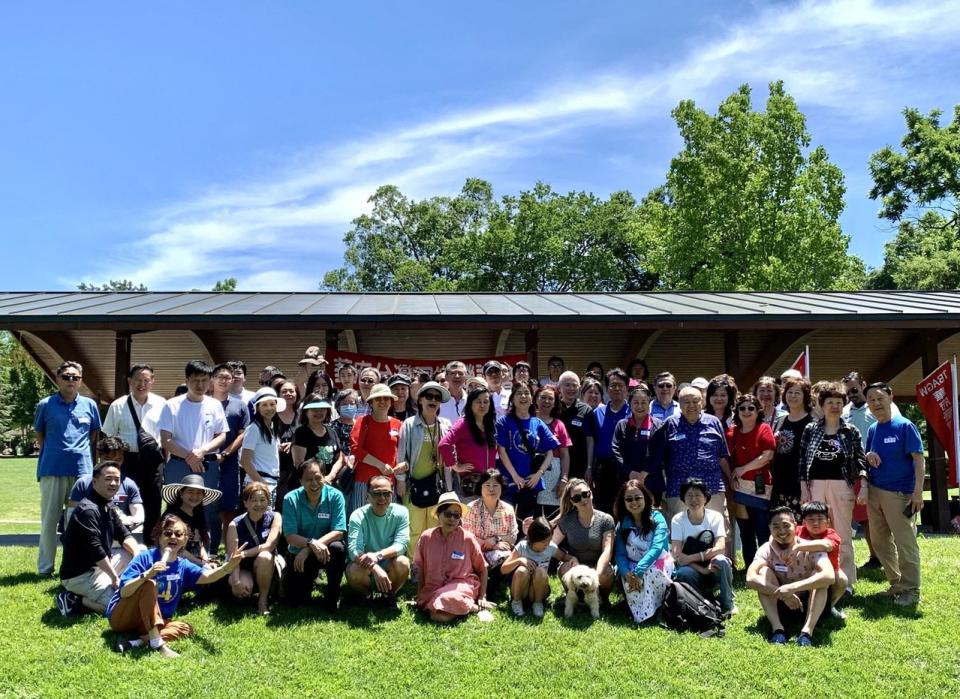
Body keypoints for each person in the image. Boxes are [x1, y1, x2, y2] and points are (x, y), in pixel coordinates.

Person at [107, 513, 246, 658]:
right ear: (160, 537)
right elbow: (124, 592)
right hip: (124, 616)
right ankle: (157, 644)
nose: (173, 537)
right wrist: (146, 575)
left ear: (185, 540)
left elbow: (207, 577)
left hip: (151, 621)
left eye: (179, 534)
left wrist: (228, 567)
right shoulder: (145, 557)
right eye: (168, 533)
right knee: (149, 584)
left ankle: (136, 642)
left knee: (185, 628)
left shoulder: (183, 565)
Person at [34, 360, 102, 576]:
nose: (71, 380)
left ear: (81, 381)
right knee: (50, 520)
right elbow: (40, 435)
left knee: (81, 521)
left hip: (82, 470)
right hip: (52, 469)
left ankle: (78, 567)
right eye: (66, 377)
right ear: (57, 379)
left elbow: (93, 436)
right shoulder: (45, 405)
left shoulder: (90, 405)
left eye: (75, 377)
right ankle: (45, 568)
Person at [799, 382, 867, 591]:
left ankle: (845, 581)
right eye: (830, 402)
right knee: (815, 531)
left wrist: (864, 484)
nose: (835, 406)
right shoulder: (811, 429)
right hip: (815, 485)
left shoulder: (850, 431)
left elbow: (860, 459)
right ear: (822, 404)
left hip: (841, 485)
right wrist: (804, 487)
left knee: (842, 534)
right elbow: (802, 460)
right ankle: (818, 576)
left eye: (839, 402)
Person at [863, 382, 924, 606]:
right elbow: (869, 455)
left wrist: (917, 493)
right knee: (879, 541)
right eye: (871, 400)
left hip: (899, 494)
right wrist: (869, 454)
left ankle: (911, 590)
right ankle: (897, 582)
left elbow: (919, 459)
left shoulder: (905, 426)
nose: (876, 403)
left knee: (905, 542)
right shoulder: (873, 429)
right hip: (875, 491)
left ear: (890, 397)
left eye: (880, 398)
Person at [56, 461, 143, 616]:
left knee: (141, 550)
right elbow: (95, 550)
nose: (114, 483)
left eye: (117, 479)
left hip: (100, 567)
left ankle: (118, 584)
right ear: (94, 482)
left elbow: (124, 534)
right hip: (80, 575)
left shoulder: (107, 505)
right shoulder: (88, 510)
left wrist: (137, 556)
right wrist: (114, 577)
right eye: (108, 478)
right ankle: (73, 599)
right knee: (120, 609)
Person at [159, 360, 227, 549]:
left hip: (207, 464)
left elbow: (222, 435)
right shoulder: (171, 405)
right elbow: (166, 440)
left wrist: (202, 451)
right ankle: (172, 551)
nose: (200, 385)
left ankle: (209, 553)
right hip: (179, 463)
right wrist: (190, 456)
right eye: (195, 380)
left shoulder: (214, 405)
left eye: (204, 380)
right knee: (175, 507)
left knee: (208, 509)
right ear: (187, 380)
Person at [746, 505, 835, 646]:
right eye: (776, 526)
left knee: (820, 578)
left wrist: (792, 588)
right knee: (763, 573)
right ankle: (777, 629)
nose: (781, 531)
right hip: (783, 603)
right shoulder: (765, 549)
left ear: (795, 525)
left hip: (813, 604)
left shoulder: (810, 547)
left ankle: (807, 632)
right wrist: (784, 594)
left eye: (786, 525)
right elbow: (750, 579)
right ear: (769, 528)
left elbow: (829, 576)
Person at [100, 363, 166, 542]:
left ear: (153, 381)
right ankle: (123, 544)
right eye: (138, 380)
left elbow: (168, 435)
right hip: (126, 460)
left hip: (153, 461)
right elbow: (108, 438)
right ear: (130, 381)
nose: (141, 384)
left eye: (146, 380)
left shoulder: (162, 404)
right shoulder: (118, 405)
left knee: (153, 505)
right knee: (122, 503)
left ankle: (152, 548)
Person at [650, 386, 732, 525]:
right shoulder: (670, 423)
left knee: (719, 532)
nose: (691, 405)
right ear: (679, 404)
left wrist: (730, 479)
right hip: (679, 489)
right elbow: (658, 457)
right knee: (681, 533)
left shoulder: (714, 422)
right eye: (686, 402)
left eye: (695, 401)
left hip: (712, 487)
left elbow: (722, 455)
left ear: (703, 402)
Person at [842, 371, 898, 569]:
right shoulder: (845, 411)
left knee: (888, 515)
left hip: (883, 468)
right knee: (866, 517)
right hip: (858, 471)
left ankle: (893, 557)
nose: (852, 395)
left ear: (863, 385)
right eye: (848, 392)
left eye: (855, 390)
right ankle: (875, 557)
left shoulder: (880, 406)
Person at [281, 459, 347, 611]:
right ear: (300, 481)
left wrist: (311, 546)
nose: (314, 483)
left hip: (325, 551)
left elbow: (339, 531)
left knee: (338, 548)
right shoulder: (290, 499)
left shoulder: (336, 496)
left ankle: (332, 594)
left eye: (318, 478)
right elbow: (290, 536)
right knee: (295, 601)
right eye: (308, 479)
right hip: (299, 555)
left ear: (324, 477)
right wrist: (311, 544)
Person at [414, 492, 490, 623]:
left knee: (441, 606)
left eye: (456, 516)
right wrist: (420, 593)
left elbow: (483, 568)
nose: (452, 519)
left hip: (460, 587)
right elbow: (420, 567)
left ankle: (459, 604)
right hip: (433, 588)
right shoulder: (426, 537)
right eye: (448, 514)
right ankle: (468, 607)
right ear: (438, 515)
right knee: (437, 615)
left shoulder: (467, 538)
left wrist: (482, 596)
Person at [396, 382, 452, 553]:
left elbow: (451, 455)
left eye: (437, 397)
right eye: (429, 396)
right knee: (415, 530)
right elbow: (401, 454)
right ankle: (415, 566)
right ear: (420, 400)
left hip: (438, 486)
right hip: (414, 485)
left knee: (436, 528)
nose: (433, 400)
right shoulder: (409, 424)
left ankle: (434, 566)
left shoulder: (445, 424)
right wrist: (401, 481)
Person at [670, 478, 736, 617]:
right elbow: (677, 555)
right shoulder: (677, 520)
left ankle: (728, 604)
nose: (693, 499)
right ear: (683, 499)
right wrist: (702, 569)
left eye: (698, 495)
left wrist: (695, 557)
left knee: (722, 561)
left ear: (706, 498)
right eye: (689, 495)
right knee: (683, 573)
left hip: (712, 565)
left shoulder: (715, 517)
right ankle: (698, 601)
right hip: (692, 569)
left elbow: (720, 548)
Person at [496, 381, 561, 520]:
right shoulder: (503, 422)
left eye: (527, 393)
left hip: (531, 483)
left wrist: (539, 474)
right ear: (512, 398)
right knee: (507, 520)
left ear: (532, 399)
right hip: (509, 482)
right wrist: (515, 476)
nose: (523, 396)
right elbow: (501, 451)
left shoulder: (537, 423)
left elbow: (550, 452)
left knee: (528, 523)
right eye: (519, 393)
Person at [727, 393, 776, 568]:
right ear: (737, 411)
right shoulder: (731, 432)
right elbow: (726, 459)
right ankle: (750, 567)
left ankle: (765, 566)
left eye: (751, 408)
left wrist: (742, 469)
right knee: (745, 531)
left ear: (757, 411)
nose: (746, 411)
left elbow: (767, 455)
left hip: (761, 487)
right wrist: (732, 474)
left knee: (762, 529)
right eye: (742, 408)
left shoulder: (764, 428)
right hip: (740, 489)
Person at [613, 480, 673, 624]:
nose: (634, 502)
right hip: (631, 565)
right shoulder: (622, 524)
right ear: (624, 502)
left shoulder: (658, 519)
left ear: (645, 498)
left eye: (638, 498)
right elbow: (620, 553)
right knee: (625, 576)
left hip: (657, 562)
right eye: (629, 499)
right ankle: (639, 612)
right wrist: (627, 573)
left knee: (649, 573)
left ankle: (656, 610)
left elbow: (656, 548)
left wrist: (638, 571)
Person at [345, 476, 411, 606]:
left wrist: (377, 555)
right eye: (377, 494)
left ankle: (389, 596)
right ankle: (366, 595)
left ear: (392, 493)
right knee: (353, 570)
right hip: (366, 568)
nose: (382, 498)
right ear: (368, 495)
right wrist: (375, 567)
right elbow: (353, 550)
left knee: (403, 562)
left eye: (387, 494)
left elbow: (402, 544)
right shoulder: (358, 515)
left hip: (389, 566)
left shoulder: (401, 512)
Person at [209, 363, 250, 550]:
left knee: (228, 509)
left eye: (227, 377)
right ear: (212, 380)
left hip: (230, 462)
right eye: (220, 377)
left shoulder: (240, 405)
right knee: (207, 507)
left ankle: (227, 552)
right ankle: (209, 547)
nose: (224, 380)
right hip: (206, 462)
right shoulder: (203, 402)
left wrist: (225, 453)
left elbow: (243, 434)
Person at [225, 482, 282, 614]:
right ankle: (246, 589)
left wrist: (244, 553)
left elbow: (269, 546)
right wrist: (236, 582)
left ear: (268, 502)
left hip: (267, 564)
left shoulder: (275, 517)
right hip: (242, 566)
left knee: (265, 555)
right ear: (245, 503)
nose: (258, 504)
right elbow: (233, 557)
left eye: (263, 500)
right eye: (253, 500)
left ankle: (263, 600)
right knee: (241, 590)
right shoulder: (235, 524)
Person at [554, 479, 616, 599]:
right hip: (576, 566)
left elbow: (607, 550)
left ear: (591, 493)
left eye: (585, 494)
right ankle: (575, 598)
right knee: (565, 569)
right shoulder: (567, 520)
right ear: (572, 502)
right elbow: (551, 545)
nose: (582, 499)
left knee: (606, 573)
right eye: (577, 498)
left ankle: (602, 600)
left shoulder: (606, 519)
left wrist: (595, 574)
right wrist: (567, 558)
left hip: (597, 565)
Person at [67, 437, 144, 534]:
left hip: (120, 537)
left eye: (118, 460)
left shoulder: (129, 484)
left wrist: (124, 521)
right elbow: (71, 515)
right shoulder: (83, 483)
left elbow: (139, 517)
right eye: (108, 459)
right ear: (100, 457)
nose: (112, 464)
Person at [462, 468, 519, 596]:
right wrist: (489, 544)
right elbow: (467, 536)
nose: (491, 489)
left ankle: (491, 588)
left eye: (495, 485)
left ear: (502, 488)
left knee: (507, 557)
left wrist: (496, 540)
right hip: (475, 551)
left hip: (499, 553)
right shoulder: (471, 508)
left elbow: (513, 535)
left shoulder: (508, 509)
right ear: (480, 488)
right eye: (487, 485)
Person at [349, 383, 402, 514]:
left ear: (391, 402)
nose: (382, 401)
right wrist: (380, 465)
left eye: (386, 398)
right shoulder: (362, 421)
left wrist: (403, 467)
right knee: (361, 519)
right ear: (371, 402)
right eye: (378, 398)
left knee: (387, 522)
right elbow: (356, 449)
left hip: (389, 483)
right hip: (364, 481)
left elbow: (403, 452)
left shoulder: (398, 424)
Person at [501, 516, 569, 618]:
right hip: (522, 590)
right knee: (522, 570)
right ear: (533, 539)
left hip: (538, 591)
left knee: (540, 571)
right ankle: (516, 602)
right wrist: (519, 560)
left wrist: (572, 559)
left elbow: (564, 557)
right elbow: (503, 569)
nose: (546, 544)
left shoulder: (550, 547)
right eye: (543, 542)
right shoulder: (522, 547)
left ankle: (538, 604)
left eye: (549, 541)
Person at [440, 385, 497, 502]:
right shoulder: (463, 423)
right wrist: (455, 466)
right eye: (478, 401)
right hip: (469, 485)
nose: (482, 405)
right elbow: (444, 444)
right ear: (470, 403)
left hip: (488, 483)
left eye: (486, 402)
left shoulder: (490, 425)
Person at [585, 369, 630, 514]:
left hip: (626, 467)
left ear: (627, 389)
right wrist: (589, 468)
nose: (616, 388)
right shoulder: (597, 413)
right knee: (603, 507)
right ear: (607, 389)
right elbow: (591, 442)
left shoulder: (633, 412)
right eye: (612, 385)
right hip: (602, 468)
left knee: (625, 506)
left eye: (620, 385)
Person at [611, 383, 664, 506]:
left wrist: (644, 473)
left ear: (649, 404)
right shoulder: (622, 424)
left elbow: (659, 452)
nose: (640, 406)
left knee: (652, 517)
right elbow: (615, 450)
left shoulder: (658, 425)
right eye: (636, 402)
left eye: (644, 402)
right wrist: (629, 472)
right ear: (630, 403)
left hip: (652, 481)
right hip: (626, 480)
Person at [795, 500, 848, 618]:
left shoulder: (832, 535)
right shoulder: (797, 531)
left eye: (820, 519)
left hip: (824, 574)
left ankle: (827, 607)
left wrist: (797, 545)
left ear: (828, 521)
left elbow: (826, 545)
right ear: (803, 521)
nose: (816, 523)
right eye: (811, 519)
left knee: (842, 579)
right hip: (798, 572)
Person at [771, 377, 813, 518]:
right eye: (790, 392)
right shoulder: (781, 420)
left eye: (797, 393)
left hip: (800, 485)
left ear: (805, 397)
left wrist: (806, 486)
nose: (793, 396)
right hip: (780, 483)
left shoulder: (812, 423)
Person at [161, 474, 221, 567]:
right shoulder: (172, 517)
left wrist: (206, 561)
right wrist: (201, 563)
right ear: (181, 493)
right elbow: (178, 549)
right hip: (177, 562)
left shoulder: (199, 515)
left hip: (197, 563)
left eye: (199, 493)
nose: (194, 496)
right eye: (190, 492)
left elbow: (200, 544)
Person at [239, 388, 285, 502]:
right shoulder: (253, 428)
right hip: (258, 483)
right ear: (257, 408)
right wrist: (261, 483)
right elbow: (244, 461)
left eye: (272, 404)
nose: (269, 408)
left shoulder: (273, 427)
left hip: (271, 482)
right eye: (264, 405)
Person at [533, 384, 572, 516]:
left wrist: (564, 479)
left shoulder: (559, 425)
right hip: (530, 473)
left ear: (555, 403)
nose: (546, 401)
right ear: (536, 399)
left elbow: (565, 455)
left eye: (550, 399)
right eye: (543, 398)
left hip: (553, 476)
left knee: (551, 515)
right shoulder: (528, 421)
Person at [292, 395, 344, 488]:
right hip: (308, 485)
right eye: (314, 409)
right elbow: (299, 463)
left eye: (322, 409)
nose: (318, 412)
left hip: (329, 484)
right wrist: (318, 480)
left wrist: (330, 476)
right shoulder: (301, 432)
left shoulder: (332, 432)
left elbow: (339, 458)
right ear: (306, 412)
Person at [557, 370, 594, 483]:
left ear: (579, 388)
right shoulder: (553, 407)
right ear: (559, 387)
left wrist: (589, 467)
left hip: (578, 465)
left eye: (574, 385)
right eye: (567, 385)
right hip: (556, 464)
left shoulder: (586, 410)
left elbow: (589, 440)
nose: (571, 388)